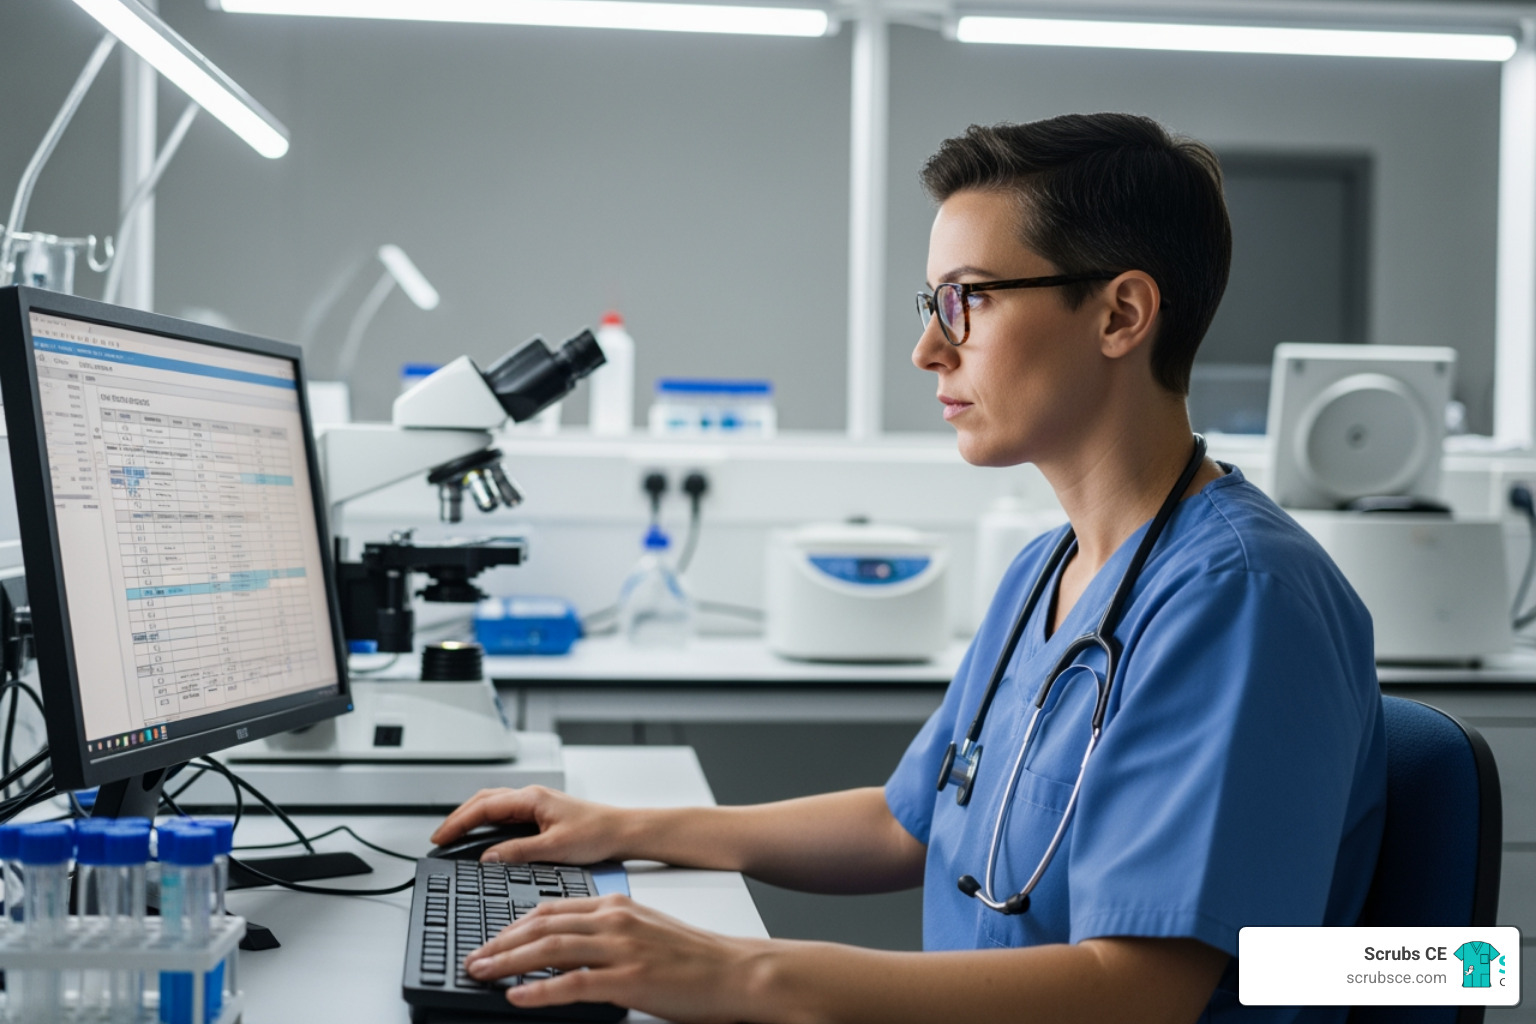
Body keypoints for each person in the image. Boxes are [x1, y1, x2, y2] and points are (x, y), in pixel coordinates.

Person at [430, 113, 1386, 1024]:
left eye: (967, 300)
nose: (928, 347)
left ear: (1120, 314)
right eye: (932, 304)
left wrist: (744, 970)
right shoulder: (1048, 572)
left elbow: (1137, 995)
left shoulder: (1238, 600)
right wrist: (625, 828)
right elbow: (907, 825)